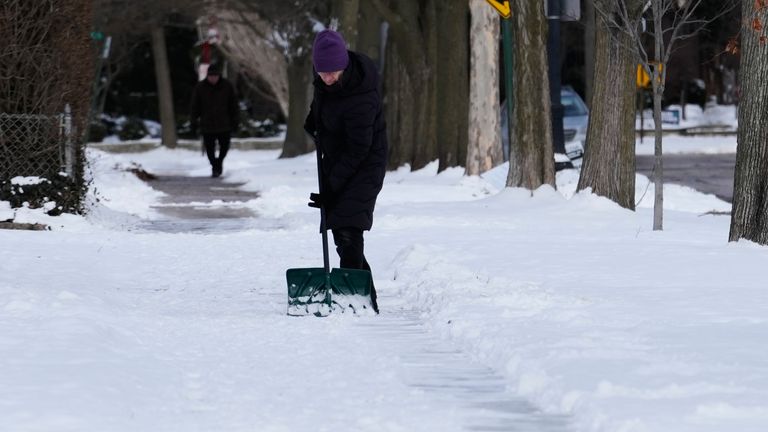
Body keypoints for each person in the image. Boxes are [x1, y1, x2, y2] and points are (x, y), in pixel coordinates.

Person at [304, 29, 387, 314]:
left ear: (344, 65)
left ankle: (356, 300)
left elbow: (358, 150)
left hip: (365, 166)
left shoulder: (362, 96)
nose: (328, 77)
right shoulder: (324, 82)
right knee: (341, 234)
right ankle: (365, 297)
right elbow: (322, 105)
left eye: (333, 72)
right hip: (339, 161)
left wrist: (332, 188)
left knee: (349, 232)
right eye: (323, 72)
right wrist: (313, 121)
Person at [190, 63, 239, 178]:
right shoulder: (200, 87)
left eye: (215, 76)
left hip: (224, 123)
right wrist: (194, 121)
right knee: (209, 148)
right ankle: (215, 165)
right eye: (211, 76)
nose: (213, 78)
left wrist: (235, 121)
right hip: (207, 124)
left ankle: (219, 162)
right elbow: (195, 106)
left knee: (225, 146)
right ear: (207, 76)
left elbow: (233, 105)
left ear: (219, 76)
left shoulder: (227, 86)